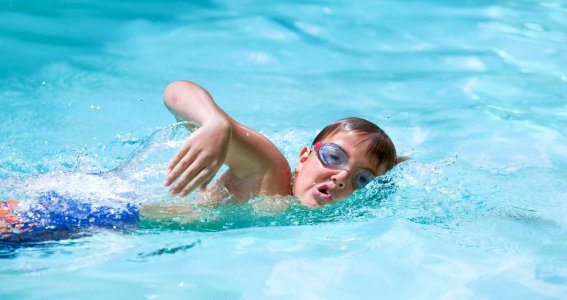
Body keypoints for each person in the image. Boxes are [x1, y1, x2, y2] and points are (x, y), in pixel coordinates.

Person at [1, 80, 404, 240]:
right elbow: (176, 92)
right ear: (304, 156)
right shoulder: (270, 171)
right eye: (334, 157)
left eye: (362, 179)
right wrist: (215, 123)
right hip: (76, 213)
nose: (341, 178)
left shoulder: (297, 212)